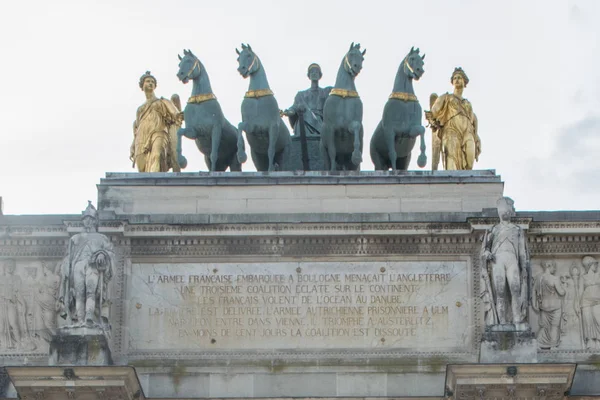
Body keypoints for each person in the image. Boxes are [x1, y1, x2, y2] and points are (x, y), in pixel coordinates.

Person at [58, 202, 114, 328]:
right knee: (79, 293)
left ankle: (89, 316)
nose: (88, 221)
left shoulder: (102, 238)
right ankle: (80, 320)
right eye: (85, 219)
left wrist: (102, 255)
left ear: (95, 221)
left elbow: (110, 253)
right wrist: (66, 266)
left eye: (90, 219)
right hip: (78, 266)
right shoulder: (75, 238)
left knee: (90, 292)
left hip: (93, 266)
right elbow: (69, 256)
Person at [482, 197, 530, 329]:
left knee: (515, 289)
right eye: (502, 209)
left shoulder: (517, 229)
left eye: (506, 209)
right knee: (500, 291)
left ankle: (517, 320)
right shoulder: (494, 229)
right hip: (498, 259)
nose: (504, 212)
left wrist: (524, 268)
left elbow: (521, 251)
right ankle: (501, 322)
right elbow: (485, 248)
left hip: (512, 259)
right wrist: (486, 254)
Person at [425, 67, 481, 170]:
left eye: (459, 77)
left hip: (468, 131)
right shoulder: (446, 97)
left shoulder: (467, 103)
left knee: (470, 159)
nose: (457, 80)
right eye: (455, 78)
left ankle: (467, 184)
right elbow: (434, 110)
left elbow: (474, 119)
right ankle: (453, 184)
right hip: (451, 130)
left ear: (465, 82)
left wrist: (476, 136)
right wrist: (431, 117)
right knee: (452, 162)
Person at [130, 71, 182, 172]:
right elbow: (137, 128)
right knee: (142, 168)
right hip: (142, 137)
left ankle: (156, 184)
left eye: (152, 82)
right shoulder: (140, 109)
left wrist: (180, 115)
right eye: (147, 81)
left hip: (159, 132)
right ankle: (146, 186)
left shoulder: (162, 101)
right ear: (142, 85)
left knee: (157, 156)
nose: (150, 83)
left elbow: (175, 114)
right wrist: (132, 145)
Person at [282, 63, 331, 136]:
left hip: (320, 121)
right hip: (304, 122)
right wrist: (290, 111)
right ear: (309, 76)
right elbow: (294, 107)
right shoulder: (301, 94)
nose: (314, 74)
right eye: (312, 72)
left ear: (320, 75)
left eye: (316, 72)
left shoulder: (325, 92)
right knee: (302, 119)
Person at [532, 260, 566, 349]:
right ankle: (553, 345)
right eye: (554, 267)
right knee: (554, 327)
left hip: (544, 306)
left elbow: (533, 292)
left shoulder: (539, 278)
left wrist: (534, 304)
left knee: (544, 327)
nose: (554, 269)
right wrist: (564, 285)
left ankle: (539, 343)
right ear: (548, 265)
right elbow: (561, 292)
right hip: (555, 307)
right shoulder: (555, 278)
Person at [0, 259, 28, 349]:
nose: (10, 267)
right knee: (1, 325)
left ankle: (19, 343)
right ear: (4, 266)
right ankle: (4, 344)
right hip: (1, 304)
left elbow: (18, 293)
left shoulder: (16, 278)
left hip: (11, 304)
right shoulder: (1, 278)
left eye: (12, 265)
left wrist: (23, 304)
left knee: (13, 323)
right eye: (8, 265)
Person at [577, 256, 600, 349]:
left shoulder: (598, 275)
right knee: (587, 323)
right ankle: (590, 342)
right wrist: (576, 304)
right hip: (585, 302)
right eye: (595, 263)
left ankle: (598, 340)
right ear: (590, 265)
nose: (596, 265)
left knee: (598, 320)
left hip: (597, 301)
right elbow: (580, 291)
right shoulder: (583, 277)